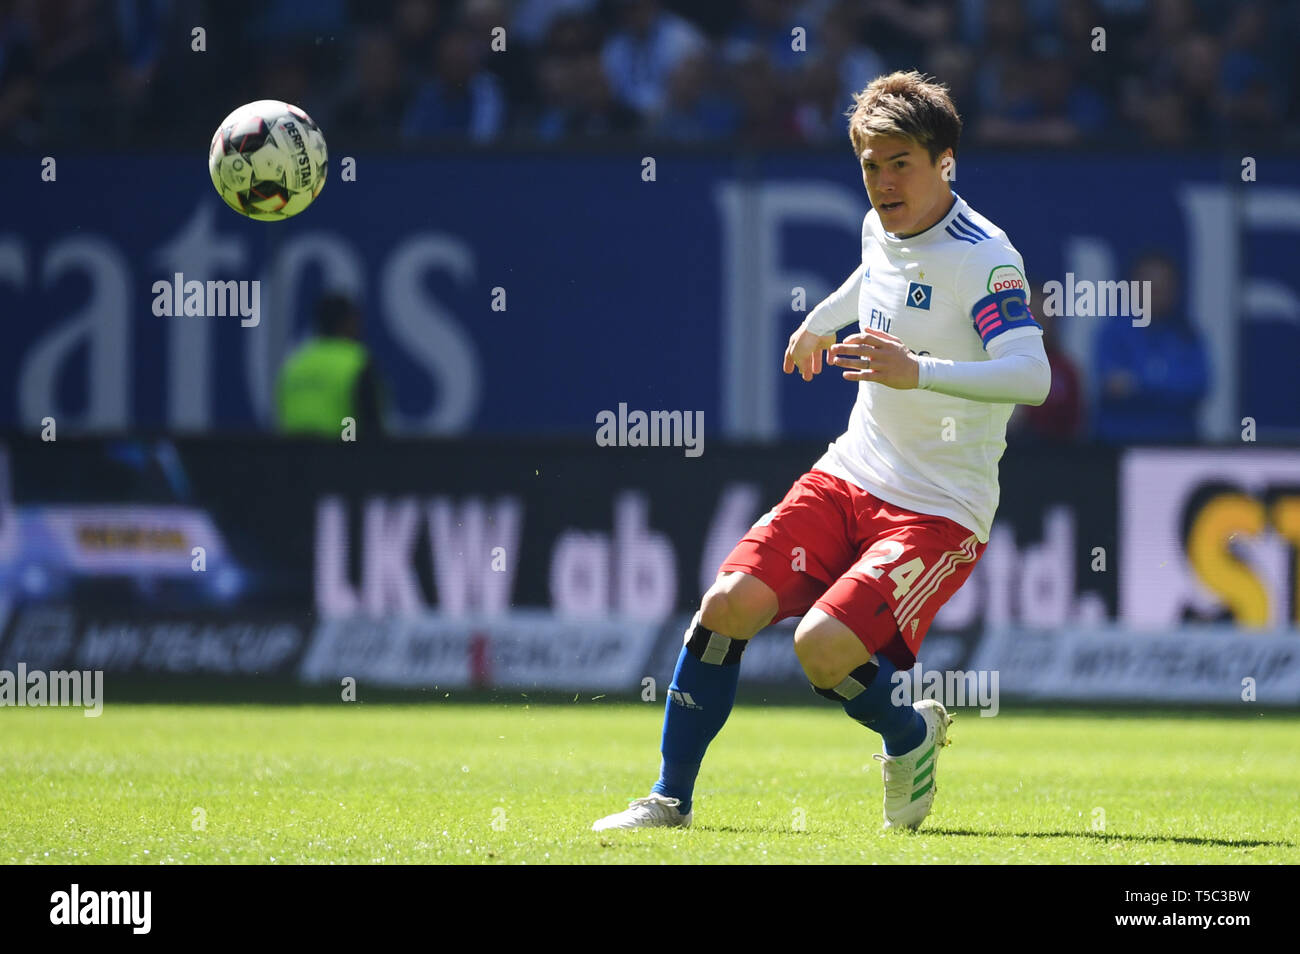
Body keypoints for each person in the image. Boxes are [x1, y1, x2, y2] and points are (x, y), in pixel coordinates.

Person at [592, 71, 1050, 833]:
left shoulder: (986, 257)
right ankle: (668, 799)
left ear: (945, 163)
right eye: (869, 164)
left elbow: (1031, 374)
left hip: (937, 509)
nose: (882, 181)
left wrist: (919, 371)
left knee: (822, 648)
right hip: (850, 472)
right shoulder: (881, 223)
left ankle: (909, 736)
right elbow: (876, 272)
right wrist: (824, 320)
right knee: (725, 605)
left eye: (900, 161)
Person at [1093, 251, 1209, 443]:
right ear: (1132, 286)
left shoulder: (1189, 335)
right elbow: (1113, 385)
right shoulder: (1113, 332)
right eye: (1149, 286)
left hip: (1177, 443)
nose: (1156, 293)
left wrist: (1138, 383)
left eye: (1163, 286)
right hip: (1120, 444)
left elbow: (1198, 385)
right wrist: (1167, 382)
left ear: (1175, 290)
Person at [275, 293, 386, 439]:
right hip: (339, 456)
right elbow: (370, 425)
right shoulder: (356, 362)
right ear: (348, 322)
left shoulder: (294, 365)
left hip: (292, 459)